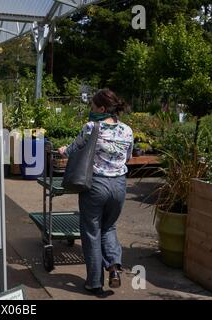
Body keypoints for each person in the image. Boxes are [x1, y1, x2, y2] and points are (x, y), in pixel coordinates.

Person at [58, 89, 133, 298]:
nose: (91, 111)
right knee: (109, 227)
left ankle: (94, 283)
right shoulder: (127, 130)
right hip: (119, 185)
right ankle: (114, 267)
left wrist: (63, 150)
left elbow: (73, 149)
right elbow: (127, 157)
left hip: (96, 185)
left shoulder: (91, 127)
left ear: (101, 108)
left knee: (92, 232)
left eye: (92, 107)